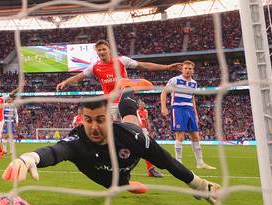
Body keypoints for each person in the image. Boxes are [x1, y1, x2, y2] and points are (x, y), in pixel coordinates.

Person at [2, 89, 220, 204]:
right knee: (117, 184)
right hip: (106, 177)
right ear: (81, 118)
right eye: (88, 120)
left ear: (109, 118)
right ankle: (125, 183)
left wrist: (198, 184)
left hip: (125, 158)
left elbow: (166, 161)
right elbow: (56, 151)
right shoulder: (78, 141)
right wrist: (29, 158)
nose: (94, 127)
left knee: (132, 120)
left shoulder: (131, 137)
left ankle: (127, 92)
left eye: (100, 120)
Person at [57, 39, 180, 176]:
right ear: (97, 53)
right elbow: (79, 77)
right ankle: (113, 168)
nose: (102, 52)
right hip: (109, 107)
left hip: (125, 101)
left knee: (141, 134)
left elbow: (144, 66)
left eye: (104, 49)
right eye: (99, 50)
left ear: (109, 50)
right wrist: (65, 82)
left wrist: (167, 67)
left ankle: (150, 168)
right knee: (108, 138)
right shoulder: (95, 67)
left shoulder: (122, 61)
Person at [160, 60, 216, 169]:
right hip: (178, 109)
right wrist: (163, 107)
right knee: (180, 136)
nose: (187, 70)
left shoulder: (194, 83)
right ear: (182, 69)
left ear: (193, 71)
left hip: (189, 109)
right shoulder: (175, 80)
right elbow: (164, 92)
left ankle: (200, 163)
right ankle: (178, 163)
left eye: (190, 69)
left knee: (195, 136)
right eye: (185, 68)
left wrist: (195, 114)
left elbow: (192, 98)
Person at [137, 100, 163, 178]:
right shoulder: (137, 112)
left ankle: (150, 169)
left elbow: (147, 120)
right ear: (139, 105)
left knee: (146, 149)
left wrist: (148, 127)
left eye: (144, 104)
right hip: (139, 131)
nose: (143, 105)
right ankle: (151, 170)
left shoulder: (145, 111)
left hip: (144, 130)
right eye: (141, 104)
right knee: (146, 149)